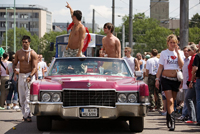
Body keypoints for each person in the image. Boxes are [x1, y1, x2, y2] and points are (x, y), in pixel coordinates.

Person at [155, 34, 184, 131]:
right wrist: (157, 79)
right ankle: (173, 123)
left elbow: (181, 65)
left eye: (174, 42)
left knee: (173, 101)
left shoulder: (180, 53)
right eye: (171, 42)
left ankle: (169, 114)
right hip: (166, 79)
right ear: (168, 43)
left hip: (175, 80)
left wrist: (178, 54)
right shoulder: (164, 53)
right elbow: (160, 67)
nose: (172, 44)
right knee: (170, 100)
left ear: (177, 43)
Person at [14, 35, 38, 122]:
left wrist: (30, 76)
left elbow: (35, 67)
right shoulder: (18, 53)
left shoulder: (33, 53)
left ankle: (28, 115)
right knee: (22, 97)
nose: (24, 44)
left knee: (28, 97)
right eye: (23, 42)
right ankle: (24, 114)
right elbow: (14, 63)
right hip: (21, 75)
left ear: (29, 43)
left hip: (29, 76)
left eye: (26, 42)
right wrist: (15, 71)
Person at [185, 44, 198, 124]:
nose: (187, 51)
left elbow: (194, 71)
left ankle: (192, 118)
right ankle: (194, 118)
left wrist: (191, 81)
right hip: (193, 80)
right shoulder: (193, 57)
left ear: (194, 50)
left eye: (189, 50)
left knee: (188, 98)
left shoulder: (194, 57)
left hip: (193, 81)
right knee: (194, 100)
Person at [177, 46, 190, 121]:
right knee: (185, 100)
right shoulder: (184, 61)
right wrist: (182, 82)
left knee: (187, 100)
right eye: (184, 51)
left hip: (189, 83)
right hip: (185, 83)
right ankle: (185, 115)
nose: (186, 52)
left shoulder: (191, 59)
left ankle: (185, 115)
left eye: (187, 51)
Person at [190, 42, 200, 126]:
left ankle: (199, 120)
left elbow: (195, 69)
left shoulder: (198, 56)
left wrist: (191, 81)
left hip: (199, 80)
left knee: (198, 100)